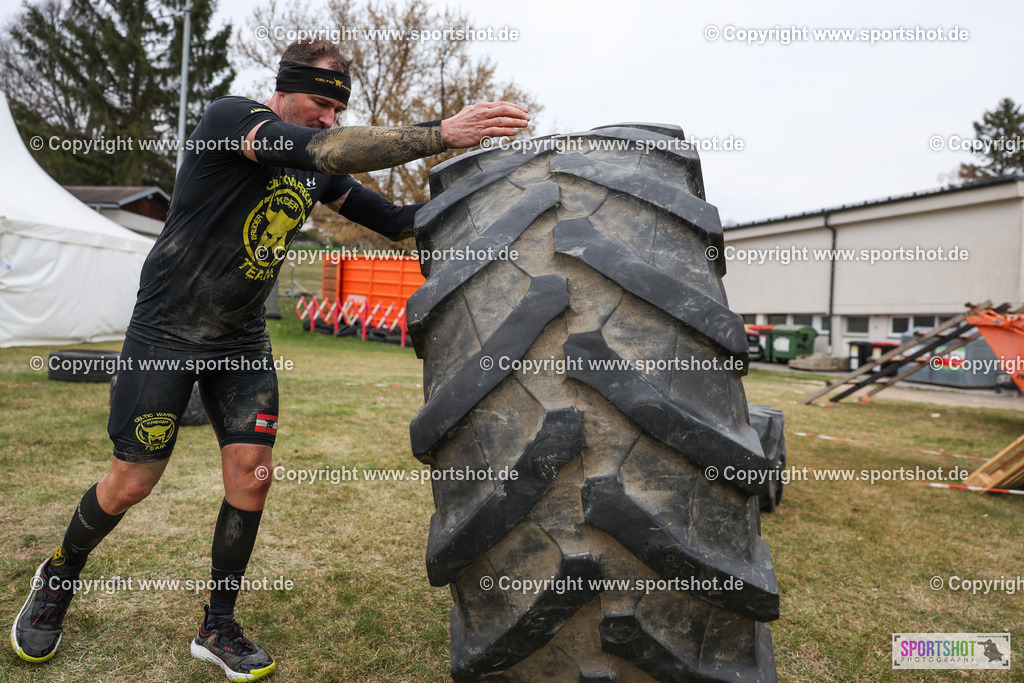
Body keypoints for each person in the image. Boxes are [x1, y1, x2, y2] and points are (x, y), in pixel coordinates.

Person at [11, 38, 528, 682]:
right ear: (282, 90)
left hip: (241, 342)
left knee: (251, 476)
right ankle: (59, 575)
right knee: (131, 484)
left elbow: (397, 221)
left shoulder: (317, 167)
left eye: (337, 109)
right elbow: (323, 148)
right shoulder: (232, 121)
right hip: (167, 334)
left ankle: (218, 625)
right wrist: (442, 132)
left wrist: (505, 206)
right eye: (318, 103)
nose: (327, 119)